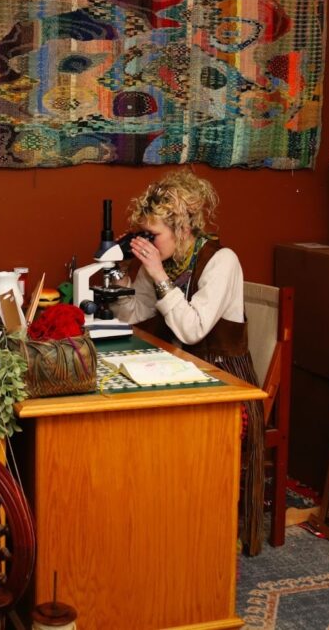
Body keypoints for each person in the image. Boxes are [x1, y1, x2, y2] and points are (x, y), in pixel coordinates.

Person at [113, 168, 265, 552]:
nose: (148, 243)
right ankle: (160, 520)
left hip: (227, 380)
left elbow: (192, 330)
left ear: (182, 229)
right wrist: (116, 279)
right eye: (144, 234)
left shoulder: (221, 260)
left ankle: (198, 528)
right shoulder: (162, 264)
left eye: (154, 235)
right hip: (182, 367)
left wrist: (157, 273)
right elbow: (135, 315)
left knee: (166, 428)